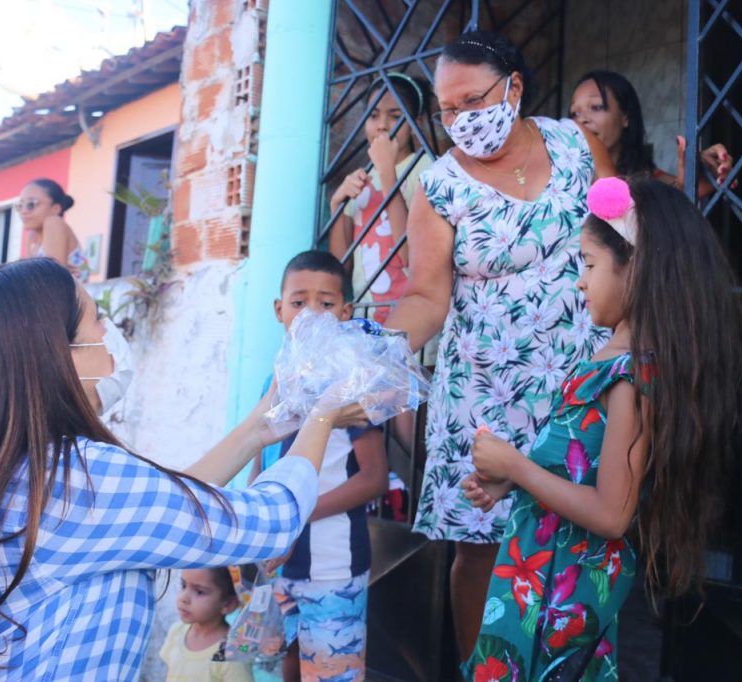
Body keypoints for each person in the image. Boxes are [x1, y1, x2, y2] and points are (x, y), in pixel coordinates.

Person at [0, 258, 362, 681]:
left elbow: (168, 503)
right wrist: (324, 413)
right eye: (96, 319)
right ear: (58, 355)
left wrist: (260, 426)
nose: (108, 333)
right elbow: (271, 521)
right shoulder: (81, 479)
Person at [382, 30, 615, 659]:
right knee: (483, 550)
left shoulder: (577, 145)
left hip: (580, 385)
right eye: (447, 109)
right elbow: (427, 297)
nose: (461, 119)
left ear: (513, 87)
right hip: (485, 396)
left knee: (580, 540)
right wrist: (377, 351)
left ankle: (565, 668)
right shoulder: (439, 186)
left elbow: (625, 241)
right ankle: (483, 670)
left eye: (472, 101)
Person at [461, 177, 742, 680]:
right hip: (541, 583)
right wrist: (510, 483)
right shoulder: (610, 363)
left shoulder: (630, 376)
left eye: (589, 265)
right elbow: (580, 471)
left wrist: (517, 467)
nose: (580, 282)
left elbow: (612, 514)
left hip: (562, 601)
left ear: (638, 266)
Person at [250, 250, 388, 682]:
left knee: (331, 673)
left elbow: (374, 478)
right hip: (278, 566)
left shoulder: (349, 388)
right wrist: (259, 528)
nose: (311, 314)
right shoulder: (272, 382)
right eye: (298, 302)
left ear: (345, 313)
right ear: (279, 309)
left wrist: (294, 514)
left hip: (332, 568)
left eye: (325, 304)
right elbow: (259, 459)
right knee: (285, 665)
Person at [328, 72, 434, 325]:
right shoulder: (361, 179)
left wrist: (387, 172)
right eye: (373, 116)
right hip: (367, 320)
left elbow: (411, 256)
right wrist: (337, 204)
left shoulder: (426, 169)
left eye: (395, 116)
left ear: (416, 123)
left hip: (413, 323)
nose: (382, 125)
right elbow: (340, 269)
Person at [569, 70, 734, 198]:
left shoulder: (650, 180)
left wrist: (699, 173)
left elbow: (682, 192)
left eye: (596, 107)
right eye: (574, 113)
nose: (581, 120)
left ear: (625, 117)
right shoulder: (559, 178)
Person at [161, 567, 252, 682]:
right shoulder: (177, 631)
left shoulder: (231, 653)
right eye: (183, 585)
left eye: (199, 592)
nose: (184, 598)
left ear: (228, 604)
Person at [17, 178, 91, 282]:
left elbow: (52, 277)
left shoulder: (53, 223)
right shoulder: (32, 236)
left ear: (56, 208)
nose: (23, 211)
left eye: (31, 204)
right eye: (20, 205)